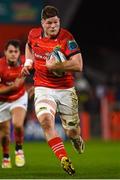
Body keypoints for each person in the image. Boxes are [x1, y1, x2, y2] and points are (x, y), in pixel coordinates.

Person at [22, 5, 84, 175]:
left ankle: (76, 139)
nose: (53, 26)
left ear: (59, 22)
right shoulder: (33, 34)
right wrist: (28, 62)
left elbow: (78, 65)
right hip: (43, 88)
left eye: (56, 22)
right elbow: (29, 47)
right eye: (49, 23)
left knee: (71, 131)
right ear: (42, 23)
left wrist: (57, 65)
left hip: (65, 89)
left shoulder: (67, 38)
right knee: (46, 122)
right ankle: (63, 158)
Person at [0, 40, 28, 168]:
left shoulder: (25, 62)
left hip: (19, 98)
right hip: (2, 101)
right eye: (10, 51)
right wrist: (13, 87)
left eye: (15, 51)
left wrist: (36, 87)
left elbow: (39, 69)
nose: (13, 54)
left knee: (17, 124)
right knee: (5, 134)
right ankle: (6, 157)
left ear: (19, 53)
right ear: (5, 52)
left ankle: (19, 150)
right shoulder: (0, 66)